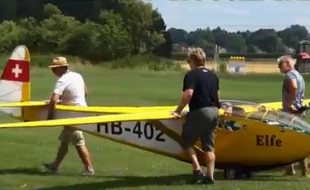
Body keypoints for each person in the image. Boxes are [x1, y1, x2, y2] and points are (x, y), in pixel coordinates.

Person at [171, 48, 220, 184]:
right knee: (209, 147)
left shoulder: (191, 75)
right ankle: (210, 176)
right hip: (214, 111)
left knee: (185, 142)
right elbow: (217, 96)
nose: (188, 64)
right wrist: (218, 109)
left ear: (192, 61)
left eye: (188, 61)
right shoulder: (213, 75)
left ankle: (197, 170)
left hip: (200, 111)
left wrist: (178, 110)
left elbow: (188, 94)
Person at [43, 56, 95, 176]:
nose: (53, 71)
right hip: (82, 111)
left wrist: (50, 117)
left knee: (78, 141)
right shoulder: (77, 75)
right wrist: (68, 99)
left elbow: (54, 99)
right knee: (65, 141)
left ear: (62, 68)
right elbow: (85, 93)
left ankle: (89, 169)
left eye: (55, 68)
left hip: (74, 115)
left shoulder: (62, 80)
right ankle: (54, 165)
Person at [278, 55, 309, 177]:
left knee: (288, 141)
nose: (279, 68)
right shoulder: (298, 74)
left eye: (280, 65)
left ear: (287, 64)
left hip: (291, 112)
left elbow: (293, 87)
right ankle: (304, 169)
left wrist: (289, 104)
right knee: (299, 140)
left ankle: (291, 169)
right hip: (299, 111)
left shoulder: (290, 75)